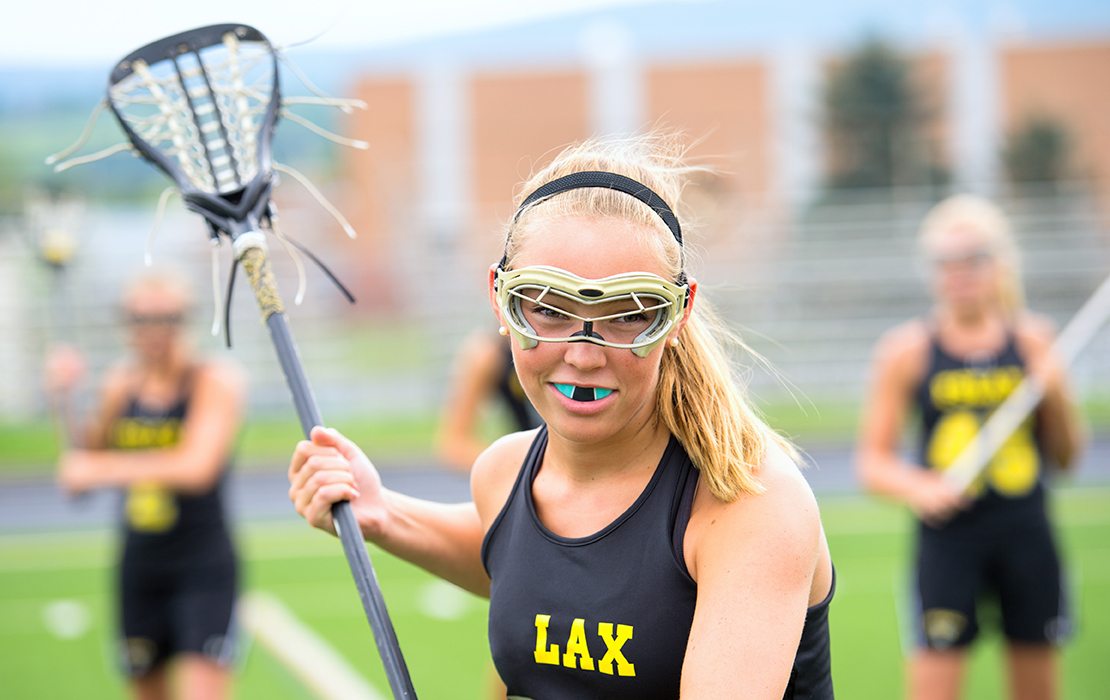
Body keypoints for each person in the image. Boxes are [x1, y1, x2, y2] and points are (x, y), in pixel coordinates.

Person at [289, 133, 835, 699]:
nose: (582, 353)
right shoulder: (505, 472)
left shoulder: (750, 502)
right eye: (548, 309)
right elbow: (523, 558)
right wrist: (382, 514)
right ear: (501, 299)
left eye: (627, 314)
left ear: (677, 314)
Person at [855, 194, 1085, 700]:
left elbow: (1068, 459)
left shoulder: (1035, 343)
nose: (959, 273)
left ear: (999, 263)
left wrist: (1058, 395)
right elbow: (872, 462)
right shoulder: (907, 351)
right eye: (945, 261)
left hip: (1027, 534)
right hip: (948, 542)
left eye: (973, 258)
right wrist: (921, 487)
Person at [45, 270, 247, 700]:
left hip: (202, 565)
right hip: (140, 565)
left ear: (185, 321)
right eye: (142, 320)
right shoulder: (120, 385)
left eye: (167, 319)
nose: (155, 332)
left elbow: (197, 468)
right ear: (126, 325)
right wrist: (64, 399)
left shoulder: (214, 380)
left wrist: (97, 470)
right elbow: (81, 472)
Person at [435, 329, 543, 473]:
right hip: (534, 472)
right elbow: (454, 444)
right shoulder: (489, 353)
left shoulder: (574, 349)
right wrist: (524, 471)